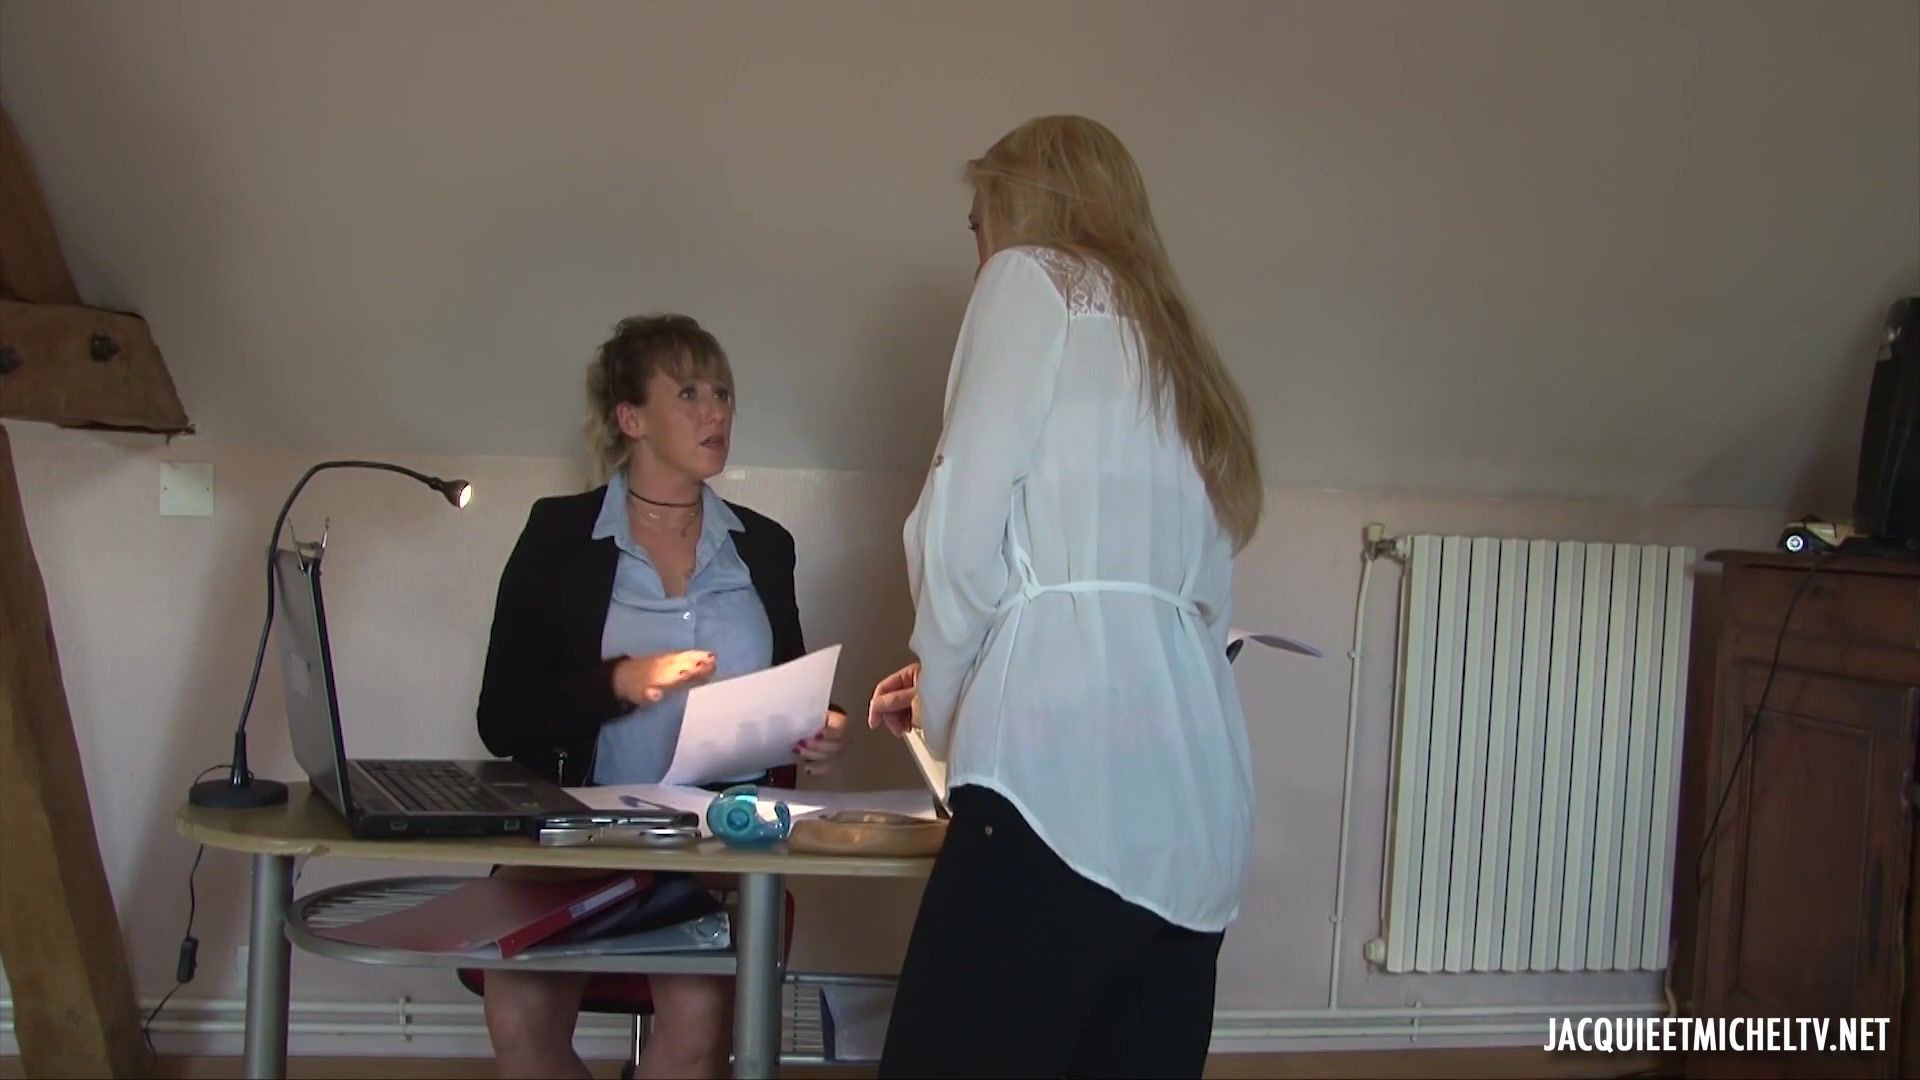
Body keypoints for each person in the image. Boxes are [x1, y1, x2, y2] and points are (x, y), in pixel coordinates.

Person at [867, 115, 1264, 1078]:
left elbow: (959, 530)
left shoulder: (1029, 280)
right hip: (1200, 798)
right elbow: (1208, 601)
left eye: (979, 222)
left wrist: (948, 708)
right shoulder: (1181, 343)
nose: (978, 247)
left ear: (1019, 211)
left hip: (1053, 778)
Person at [475, 313, 849, 1079]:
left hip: (720, 841)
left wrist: (819, 727)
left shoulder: (763, 546)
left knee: (701, 1015)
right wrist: (615, 683)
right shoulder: (557, 536)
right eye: (689, 394)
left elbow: (795, 684)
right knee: (516, 1008)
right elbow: (502, 717)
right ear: (631, 417)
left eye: (723, 394)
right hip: (580, 832)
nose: (716, 413)